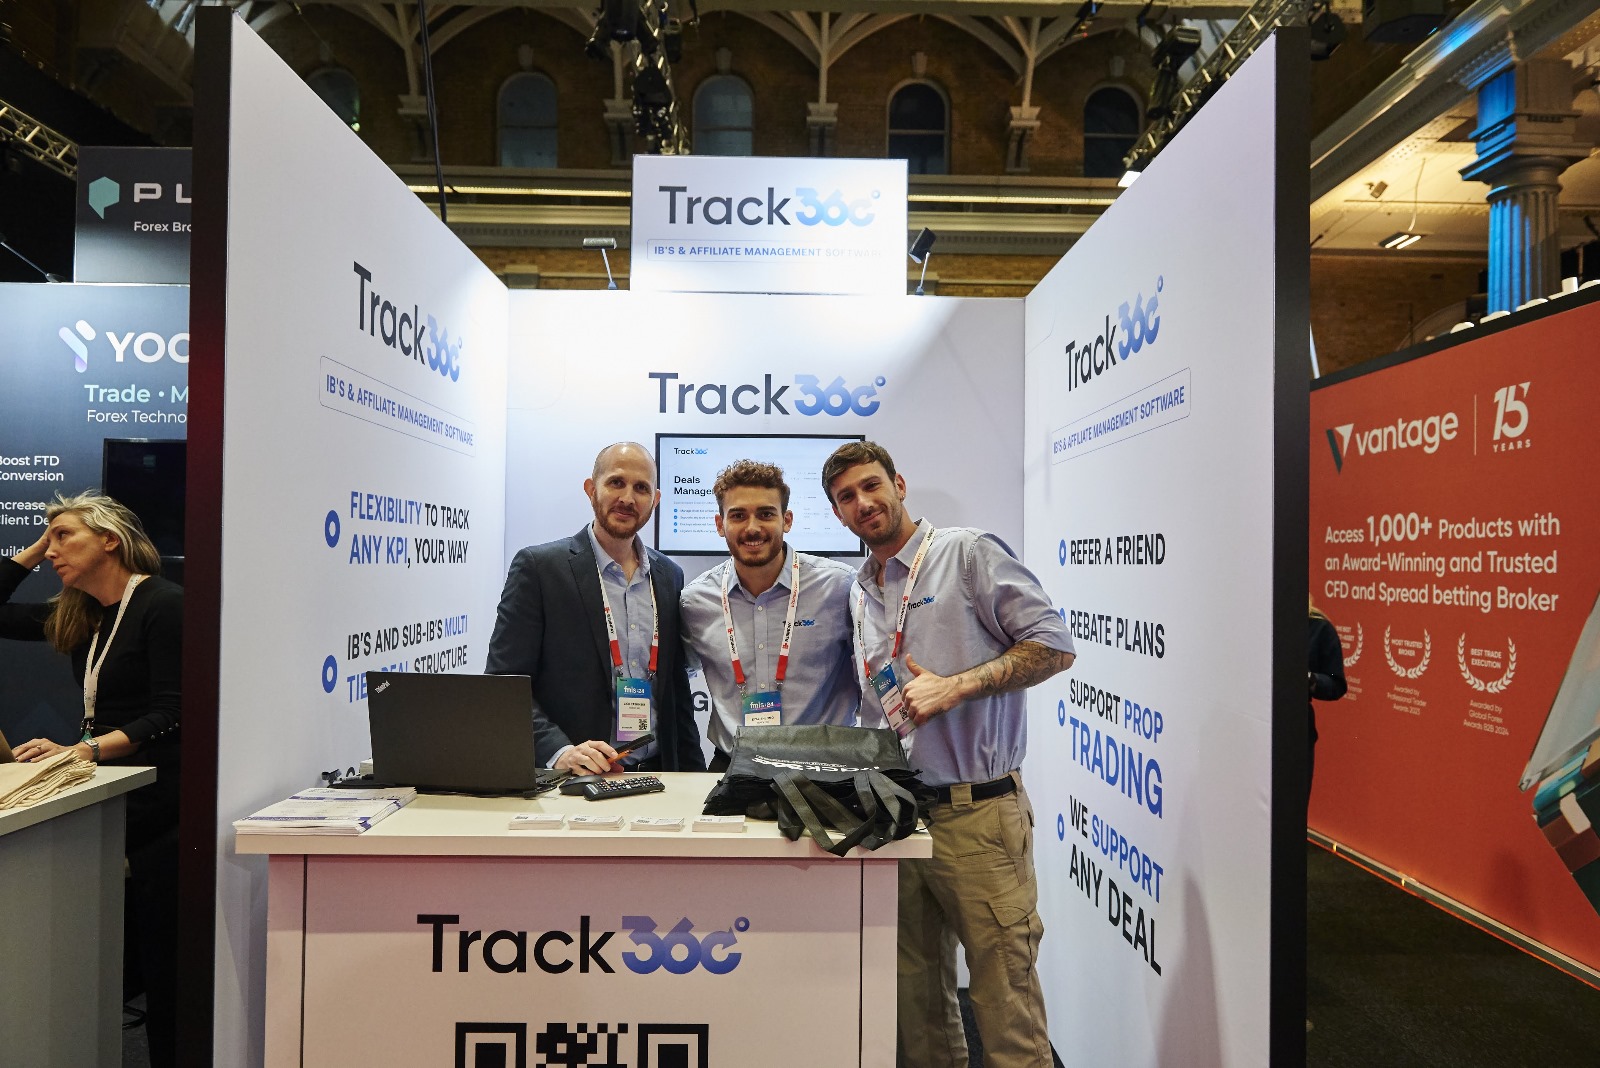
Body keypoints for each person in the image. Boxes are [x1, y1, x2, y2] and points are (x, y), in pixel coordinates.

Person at [822, 441, 1075, 1068]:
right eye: (847, 497)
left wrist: (957, 685)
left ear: (899, 484)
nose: (863, 503)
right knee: (917, 1004)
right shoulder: (861, 588)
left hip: (977, 815)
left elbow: (1054, 645)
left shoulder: (967, 553)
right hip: (900, 815)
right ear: (837, 513)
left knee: (1005, 998)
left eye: (871, 486)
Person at [0, 491, 182, 1066]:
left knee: (162, 957)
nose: (52, 550)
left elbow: (171, 712)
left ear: (110, 540)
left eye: (65, 536)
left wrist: (82, 751)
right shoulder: (82, 614)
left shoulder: (163, 604)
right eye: (48, 539)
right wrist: (34, 549)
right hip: (106, 781)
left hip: (160, 792)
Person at [486, 442, 704, 773]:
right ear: (591, 489)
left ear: (655, 500)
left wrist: (694, 779)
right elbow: (504, 684)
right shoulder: (540, 569)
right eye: (616, 482)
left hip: (660, 776)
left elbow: (676, 691)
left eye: (641, 488)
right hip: (576, 779)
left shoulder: (669, 575)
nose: (628, 498)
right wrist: (559, 752)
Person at [680, 460, 859, 772]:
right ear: (720, 524)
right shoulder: (695, 602)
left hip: (823, 771)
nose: (752, 528)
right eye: (738, 515)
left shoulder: (839, 587)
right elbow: (674, 678)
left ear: (786, 520)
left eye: (765, 514)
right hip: (733, 768)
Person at [1308, 595, 1347, 802]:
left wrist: (1310, 679)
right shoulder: (1257, 623)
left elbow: (1336, 683)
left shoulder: (1319, 628)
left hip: (1295, 731)